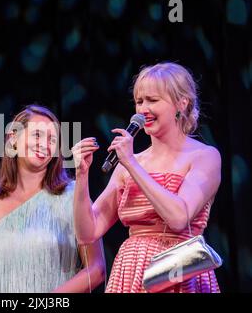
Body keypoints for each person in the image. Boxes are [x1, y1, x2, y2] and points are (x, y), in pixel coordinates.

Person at [72, 62, 221, 293]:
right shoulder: (129, 164)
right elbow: (87, 233)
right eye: (139, 101)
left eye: (153, 100)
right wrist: (81, 177)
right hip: (132, 271)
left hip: (179, 269)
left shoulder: (204, 156)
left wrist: (131, 163)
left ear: (182, 103)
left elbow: (179, 217)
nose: (143, 109)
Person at [0, 105, 105, 293]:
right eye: (37, 135)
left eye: (52, 139)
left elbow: (96, 269)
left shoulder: (74, 198)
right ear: (13, 138)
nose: (45, 144)